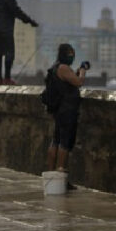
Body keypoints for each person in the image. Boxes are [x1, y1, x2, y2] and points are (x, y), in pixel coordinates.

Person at [45, 43, 89, 189]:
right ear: (63, 54)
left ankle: (51, 175)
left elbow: (68, 81)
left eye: (73, 53)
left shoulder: (55, 67)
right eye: (70, 53)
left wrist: (76, 72)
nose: (72, 56)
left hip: (59, 110)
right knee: (64, 142)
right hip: (67, 110)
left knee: (56, 141)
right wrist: (82, 70)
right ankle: (59, 176)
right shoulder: (63, 68)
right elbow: (78, 82)